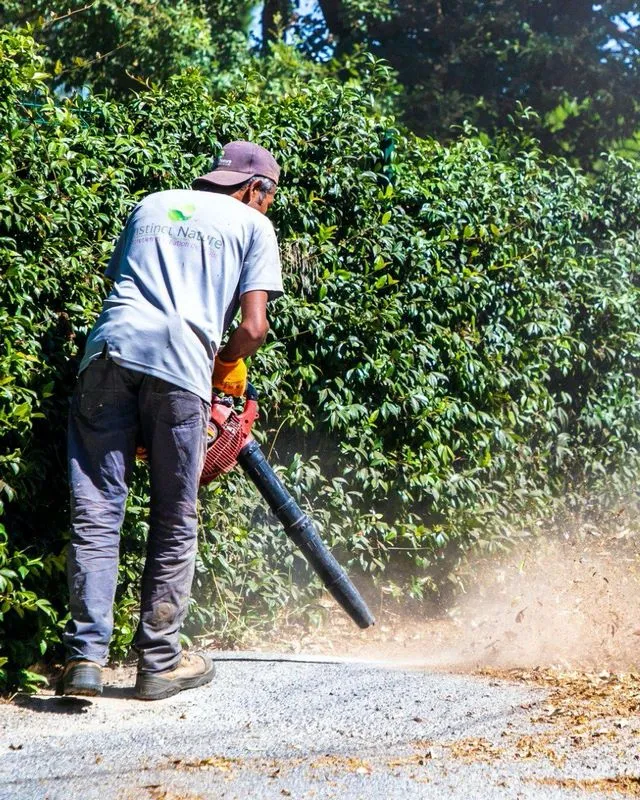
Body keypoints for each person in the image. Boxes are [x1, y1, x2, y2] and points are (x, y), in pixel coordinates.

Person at [59, 141, 283, 701]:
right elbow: (254, 329)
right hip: (183, 368)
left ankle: (83, 659)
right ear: (255, 189)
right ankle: (157, 662)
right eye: (270, 197)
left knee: (96, 506)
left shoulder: (153, 203)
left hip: (109, 354)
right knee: (174, 515)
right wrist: (223, 368)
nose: (267, 206)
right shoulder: (253, 226)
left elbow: (119, 290)